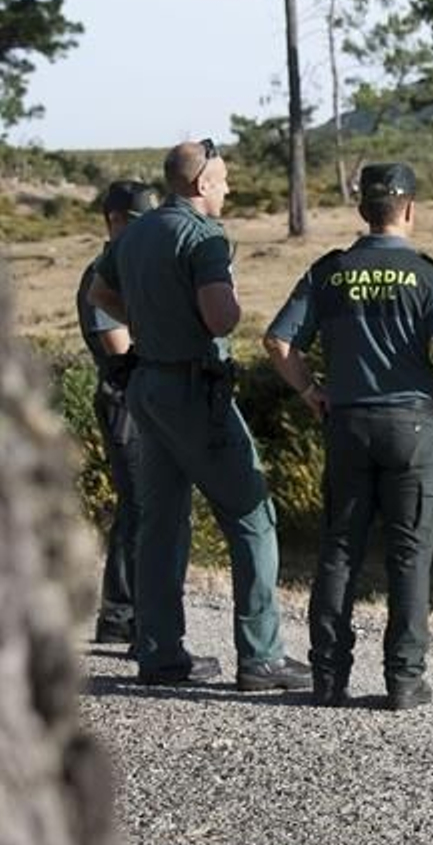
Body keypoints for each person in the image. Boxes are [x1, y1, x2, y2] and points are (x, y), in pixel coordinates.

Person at [263, 162, 433, 711]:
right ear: (409, 209)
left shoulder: (329, 272)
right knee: (409, 555)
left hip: (347, 425)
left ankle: (328, 678)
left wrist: (310, 390)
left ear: (363, 209)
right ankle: (404, 681)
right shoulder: (430, 275)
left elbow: (278, 342)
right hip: (412, 428)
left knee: (340, 550)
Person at [88, 139, 310, 691]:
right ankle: (262, 657)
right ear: (201, 183)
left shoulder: (135, 232)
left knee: (161, 524)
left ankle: (160, 654)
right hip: (194, 391)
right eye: (224, 179)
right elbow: (220, 320)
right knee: (252, 516)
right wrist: (222, 296)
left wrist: (149, 320)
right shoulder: (204, 236)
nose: (229, 188)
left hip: (147, 387)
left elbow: (100, 292)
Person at [76, 180, 159, 648]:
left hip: (140, 401)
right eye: (138, 223)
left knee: (140, 507)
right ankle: (127, 615)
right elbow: (121, 349)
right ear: (115, 222)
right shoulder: (103, 276)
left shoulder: (131, 268)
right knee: (140, 507)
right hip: (125, 401)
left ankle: (120, 613)